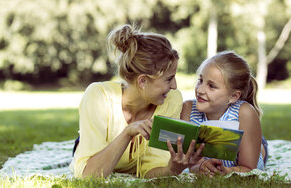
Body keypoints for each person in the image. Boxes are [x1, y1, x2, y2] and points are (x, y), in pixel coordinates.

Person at [70, 24, 204, 179]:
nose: (174, 86)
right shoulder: (98, 96)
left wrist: (172, 169)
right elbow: (89, 176)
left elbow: (150, 171)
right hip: (96, 153)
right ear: (142, 81)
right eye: (169, 79)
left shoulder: (171, 99)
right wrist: (127, 133)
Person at [180, 51, 268, 176]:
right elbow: (189, 162)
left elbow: (249, 168)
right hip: (211, 158)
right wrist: (201, 167)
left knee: (258, 149)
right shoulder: (188, 108)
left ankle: (261, 145)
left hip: (247, 148)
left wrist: (227, 171)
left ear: (233, 97)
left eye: (211, 86)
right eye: (200, 80)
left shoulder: (245, 113)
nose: (199, 90)